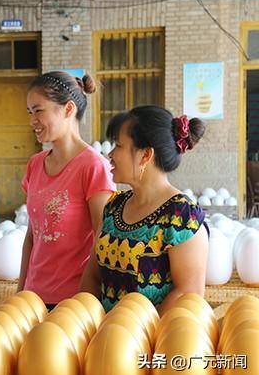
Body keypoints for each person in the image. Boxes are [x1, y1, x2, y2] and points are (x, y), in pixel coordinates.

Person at [79, 106, 209, 315]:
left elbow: (188, 293)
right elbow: (92, 277)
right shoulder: (114, 207)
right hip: (104, 339)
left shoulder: (181, 216)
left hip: (151, 340)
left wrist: (132, 332)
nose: (110, 154)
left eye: (118, 145)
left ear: (145, 155)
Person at [18, 71, 115, 308]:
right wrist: (20, 292)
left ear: (68, 109)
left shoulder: (93, 166)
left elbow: (102, 240)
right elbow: (33, 236)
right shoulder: (35, 164)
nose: (32, 120)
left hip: (74, 303)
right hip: (33, 299)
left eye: (39, 110)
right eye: (30, 112)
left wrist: (84, 302)